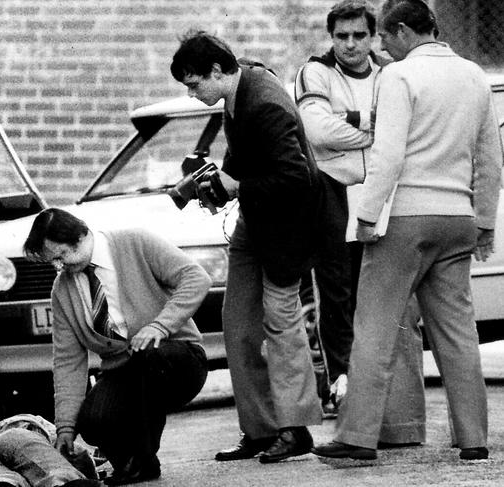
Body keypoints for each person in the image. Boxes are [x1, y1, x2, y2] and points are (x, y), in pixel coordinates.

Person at [312, 0, 502, 461]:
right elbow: (490, 159)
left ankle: (356, 436)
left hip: (406, 218)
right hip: (456, 218)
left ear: (401, 32)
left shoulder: (399, 76)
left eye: (384, 38)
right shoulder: (474, 76)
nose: (381, 48)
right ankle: (474, 438)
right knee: (458, 333)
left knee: (374, 326)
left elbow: (389, 155)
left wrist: (367, 215)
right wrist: (484, 224)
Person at [171, 31, 332, 464]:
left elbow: (298, 178)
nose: (192, 93)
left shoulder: (265, 101)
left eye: (194, 83)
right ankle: (260, 430)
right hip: (255, 222)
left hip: (287, 229)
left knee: (281, 325)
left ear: (218, 71)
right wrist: (216, 183)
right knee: (238, 323)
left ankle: (295, 429)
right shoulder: (237, 87)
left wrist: (237, 184)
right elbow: (248, 156)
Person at [295, 0, 426, 446]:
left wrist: (350, 123)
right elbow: (317, 130)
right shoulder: (314, 72)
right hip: (333, 191)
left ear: (373, 37)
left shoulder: (392, 70)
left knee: (383, 296)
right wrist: (378, 129)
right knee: (336, 291)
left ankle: (384, 398)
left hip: (385, 192)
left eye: (358, 35)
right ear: (331, 38)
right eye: (341, 36)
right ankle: (342, 387)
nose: (350, 45)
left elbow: (408, 127)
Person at [23, 208, 210, 485]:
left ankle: (141, 460)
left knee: (149, 355)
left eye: (61, 256)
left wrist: (159, 325)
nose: (59, 266)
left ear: (81, 237)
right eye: (54, 261)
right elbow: (67, 361)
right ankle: (131, 462)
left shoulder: (136, 242)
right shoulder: (62, 289)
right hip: (125, 371)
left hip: (176, 359)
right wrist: (65, 428)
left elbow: (196, 278)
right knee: (93, 421)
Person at [0, 414, 100, 487]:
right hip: (16, 437)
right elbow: (76, 452)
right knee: (58, 476)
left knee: (3, 480)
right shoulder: (37, 426)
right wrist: (91, 471)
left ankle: (3, 482)